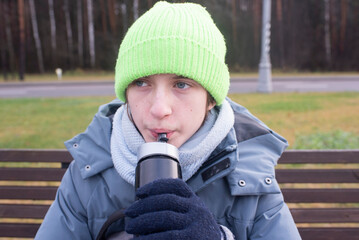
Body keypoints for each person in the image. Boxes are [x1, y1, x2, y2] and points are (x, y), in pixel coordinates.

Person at [35, 1, 301, 240]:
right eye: (141, 83)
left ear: (211, 100)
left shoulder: (250, 175)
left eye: (182, 84)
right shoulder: (90, 171)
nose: (159, 109)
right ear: (125, 92)